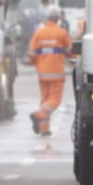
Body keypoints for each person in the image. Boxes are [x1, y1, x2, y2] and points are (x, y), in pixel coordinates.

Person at [29, 7, 72, 138]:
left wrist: (37, 62)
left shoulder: (39, 33)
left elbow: (31, 53)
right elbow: (70, 51)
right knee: (54, 100)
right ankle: (37, 115)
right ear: (58, 18)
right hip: (56, 72)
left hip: (42, 72)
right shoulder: (62, 33)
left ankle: (44, 129)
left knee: (45, 100)